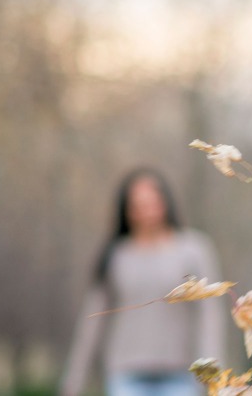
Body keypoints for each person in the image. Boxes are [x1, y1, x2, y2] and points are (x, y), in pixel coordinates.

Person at [62, 168, 226, 396]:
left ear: (165, 202)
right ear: (127, 211)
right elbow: (91, 323)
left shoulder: (193, 249)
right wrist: (72, 384)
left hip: (180, 375)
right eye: (138, 206)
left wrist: (212, 374)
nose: (147, 211)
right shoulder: (115, 256)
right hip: (126, 376)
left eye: (153, 202)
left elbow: (209, 317)